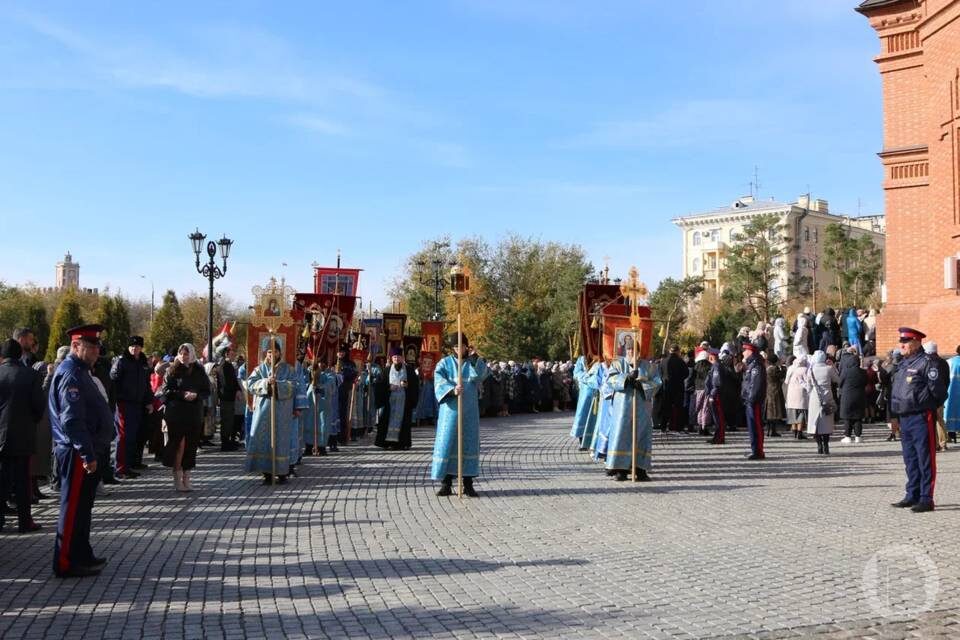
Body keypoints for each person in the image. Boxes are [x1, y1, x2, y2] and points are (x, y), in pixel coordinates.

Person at [49, 324, 110, 577]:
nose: (97, 351)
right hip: (76, 452)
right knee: (72, 507)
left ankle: (81, 553)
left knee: (83, 507)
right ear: (76, 346)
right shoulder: (72, 373)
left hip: (86, 449)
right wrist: (86, 453)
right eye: (91, 346)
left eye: (97, 346)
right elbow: (72, 419)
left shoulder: (81, 371)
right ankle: (65, 563)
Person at [890, 328, 948, 513]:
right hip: (905, 416)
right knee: (910, 459)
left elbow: (938, 391)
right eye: (901, 342)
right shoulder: (903, 364)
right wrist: (894, 415)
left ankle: (926, 498)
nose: (902, 345)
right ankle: (912, 493)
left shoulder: (927, 363)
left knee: (925, 458)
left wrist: (928, 405)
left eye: (905, 342)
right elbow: (897, 391)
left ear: (916, 342)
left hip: (921, 416)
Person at [431, 334, 488, 497]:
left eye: (461, 346)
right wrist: (451, 389)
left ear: (466, 347)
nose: (458, 349)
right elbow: (438, 379)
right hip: (450, 411)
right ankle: (446, 484)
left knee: (468, 444)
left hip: (469, 411)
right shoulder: (445, 363)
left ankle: (468, 484)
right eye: (455, 347)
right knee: (448, 443)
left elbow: (482, 374)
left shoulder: (472, 362)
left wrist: (476, 357)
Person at [0, 339, 45, 533]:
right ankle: (25, 522)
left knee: (1, 479)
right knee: (22, 481)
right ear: (21, 355)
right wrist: (31, 422)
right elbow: (39, 405)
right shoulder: (31, 375)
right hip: (24, 434)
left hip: (0, 435)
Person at [159, 344, 210, 492]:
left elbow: (206, 390)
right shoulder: (172, 370)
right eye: (181, 354)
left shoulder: (199, 371)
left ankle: (187, 477)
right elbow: (166, 390)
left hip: (194, 413)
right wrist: (182, 394)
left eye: (186, 354)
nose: (183, 356)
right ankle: (177, 476)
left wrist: (196, 395)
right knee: (178, 445)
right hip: (176, 413)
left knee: (191, 445)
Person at [602, 355, 661, 481]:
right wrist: (626, 378)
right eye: (629, 350)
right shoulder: (618, 364)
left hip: (642, 408)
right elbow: (610, 380)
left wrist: (641, 386)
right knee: (621, 435)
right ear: (626, 350)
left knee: (641, 436)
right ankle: (620, 470)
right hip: (622, 408)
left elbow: (657, 381)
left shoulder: (648, 366)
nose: (633, 353)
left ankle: (640, 469)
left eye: (635, 350)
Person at [245, 342, 297, 484]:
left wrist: (278, 385)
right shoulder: (259, 369)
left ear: (280, 353)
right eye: (269, 352)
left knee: (281, 441)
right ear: (265, 354)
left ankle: (282, 474)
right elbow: (250, 384)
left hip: (282, 412)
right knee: (264, 441)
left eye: (275, 352)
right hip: (264, 411)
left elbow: (293, 386)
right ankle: (267, 474)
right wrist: (266, 383)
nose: (272, 354)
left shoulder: (288, 369)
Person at [109, 336, 153, 479]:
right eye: (132, 346)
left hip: (137, 404)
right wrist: (116, 400)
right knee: (123, 436)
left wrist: (149, 401)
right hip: (124, 403)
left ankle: (128, 465)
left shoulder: (143, 363)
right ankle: (120, 467)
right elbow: (113, 381)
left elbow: (147, 385)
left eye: (137, 346)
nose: (134, 349)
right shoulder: (121, 362)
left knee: (133, 436)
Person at [806, 350, 839, 454]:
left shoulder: (811, 370)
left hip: (815, 398)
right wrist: (833, 366)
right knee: (826, 423)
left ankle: (819, 445)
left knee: (816, 423)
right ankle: (826, 445)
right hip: (827, 396)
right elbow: (837, 379)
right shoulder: (828, 369)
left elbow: (808, 386)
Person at [923, 341, 951, 452]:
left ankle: (933, 444)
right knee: (940, 419)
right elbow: (947, 380)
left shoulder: (925, 362)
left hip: (928, 395)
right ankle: (943, 443)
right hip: (941, 395)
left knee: (930, 419)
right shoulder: (943, 362)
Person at [741, 342, 766, 460]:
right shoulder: (752, 364)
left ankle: (758, 451)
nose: (743, 353)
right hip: (750, 400)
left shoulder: (756, 365)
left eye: (744, 351)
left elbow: (756, 385)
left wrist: (751, 399)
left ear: (750, 351)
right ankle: (755, 449)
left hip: (753, 401)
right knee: (752, 426)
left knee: (755, 425)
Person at [216, 345, 242, 452]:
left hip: (230, 397)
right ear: (226, 354)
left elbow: (234, 380)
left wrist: (238, 389)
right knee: (227, 421)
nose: (234, 354)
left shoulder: (229, 365)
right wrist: (235, 391)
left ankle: (229, 441)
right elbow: (226, 383)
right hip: (226, 397)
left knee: (230, 421)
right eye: (232, 353)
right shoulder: (223, 366)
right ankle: (225, 443)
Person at [839, 350, 867, 444]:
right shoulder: (863, 372)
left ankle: (847, 436)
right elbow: (865, 383)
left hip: (847, 396)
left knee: (847, 417)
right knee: (858, 417)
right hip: (859, 396)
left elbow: (840, 383)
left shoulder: (845, 371)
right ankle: (858, 436)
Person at [784, 355, 809, 439]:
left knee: (793, 412)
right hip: (801, 393)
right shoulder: (805, 369)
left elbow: (786, 381)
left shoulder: (790, 368)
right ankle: (799, 432)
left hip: (791, 392)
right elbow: (808, 382)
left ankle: (794, 431)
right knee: (801, 413)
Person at [764, 354, 785, 438]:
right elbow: (782, 375)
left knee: (769, 412)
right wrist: (782, 366)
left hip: (768, 390)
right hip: (775, 390)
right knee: (774, 411)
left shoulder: (767, 369)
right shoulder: (774, 369)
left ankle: (769, 430)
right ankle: (772, 430)